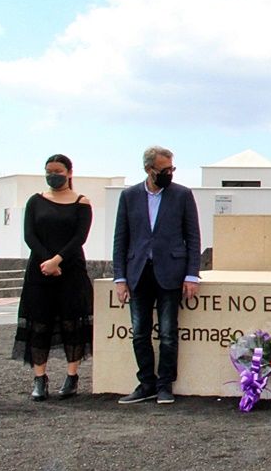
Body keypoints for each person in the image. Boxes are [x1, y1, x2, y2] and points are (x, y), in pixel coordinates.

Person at [112, 146, 201, 405]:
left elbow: (193, 237)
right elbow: (121, 238)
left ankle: (165, 385)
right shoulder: (129, 196)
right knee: (139, 332)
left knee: (168, 333)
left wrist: (192, 275)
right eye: (164, 170)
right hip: (138, 273)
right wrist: (120, 277)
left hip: (171, 273)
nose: (169, 174)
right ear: (149, 170)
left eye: (172, 169)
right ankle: (146, 383)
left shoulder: (182, 195)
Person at [11, 154, 94, 401]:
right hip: (39, 270)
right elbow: (30, 236)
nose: (52, 175)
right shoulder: (35, 201)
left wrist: (58, 260)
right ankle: (39, 378)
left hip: (71, 270)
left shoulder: (82, 202)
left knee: (72, 322)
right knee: (39, 323)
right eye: (49, 170)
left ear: (69, 172)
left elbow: (80, 237)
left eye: (58, 170)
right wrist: (47, 261)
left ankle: (72, 376)